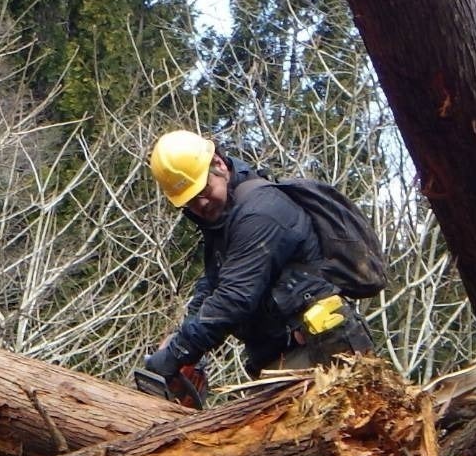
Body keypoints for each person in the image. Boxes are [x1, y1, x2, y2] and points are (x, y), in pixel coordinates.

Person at [142, 129, 373, 384]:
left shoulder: (260, 212)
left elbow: (234, 298)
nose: (201, 204)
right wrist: (180, 339)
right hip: (282, 355)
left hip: (322, 352)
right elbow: (213, 282)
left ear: (218, 163)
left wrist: (177, 354)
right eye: (190, 201)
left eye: (203, 190)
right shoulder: (224, 216)